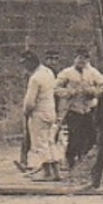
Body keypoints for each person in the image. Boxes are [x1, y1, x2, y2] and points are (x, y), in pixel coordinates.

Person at [55, 49, 103, 170]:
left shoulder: (92, 72)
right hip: (73, 109)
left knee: (91, 136)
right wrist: (68, 93)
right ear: (74, 58)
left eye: (84, 58)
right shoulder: (67, 73)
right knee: (74, 137)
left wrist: (94, 92)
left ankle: (85, 160)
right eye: (79, 58)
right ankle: (70, 161)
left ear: (88, 60)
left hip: (88, 109)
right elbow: (55, 88)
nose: (81, 61)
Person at [20, 51, 60, 182]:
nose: (24, 67)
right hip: (51, 111)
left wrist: (26, 112)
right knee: (50, 142)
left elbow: (30, 102)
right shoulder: (48, 72)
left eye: (25, 64)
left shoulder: (35, 78)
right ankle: (56, 171)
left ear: (31, 63)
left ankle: (47, 173)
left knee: (40, 144)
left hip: (39, 113)